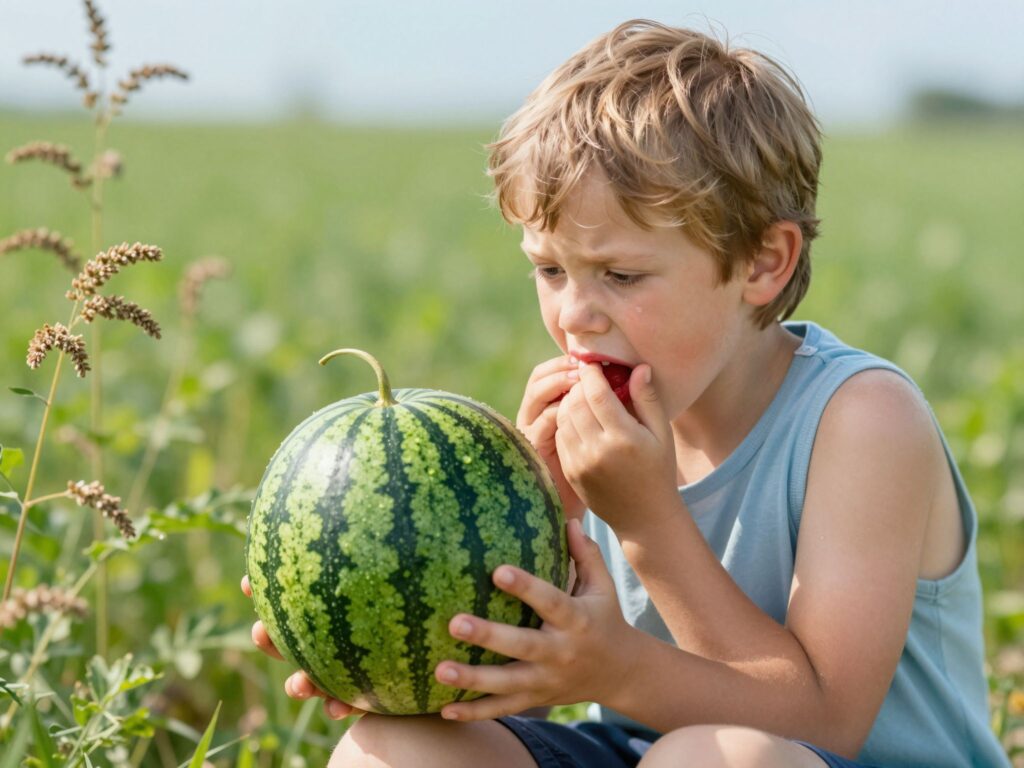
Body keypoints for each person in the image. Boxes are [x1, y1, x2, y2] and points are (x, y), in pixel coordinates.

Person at [243, 19, 1010, 768]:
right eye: (550, 270)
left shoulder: (863, 421)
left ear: (763, 262)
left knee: (716, 757)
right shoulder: (584, 434)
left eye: (621, 275)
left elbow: (826, 722)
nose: (574, 313)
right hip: (649, 751)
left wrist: (643, 525)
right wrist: (412, 646)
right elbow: (532, 694)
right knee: (394, 751)